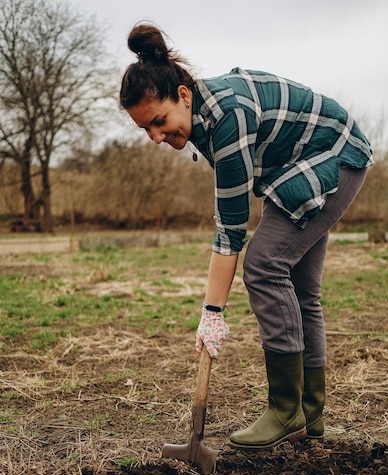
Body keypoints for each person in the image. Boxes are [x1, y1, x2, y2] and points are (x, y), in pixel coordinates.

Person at [119, 22, 374, 450]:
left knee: (264, 264)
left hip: (333, 155)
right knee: (300, 289)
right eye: (146, 129)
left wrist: (212, 311)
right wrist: (212, 308)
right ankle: (310, 416)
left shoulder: (226, 118)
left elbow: (230, 229)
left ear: (184, 95)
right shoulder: (205, 114)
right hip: (295, 167)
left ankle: (285, 409)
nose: (157, 138)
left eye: (160, 122)